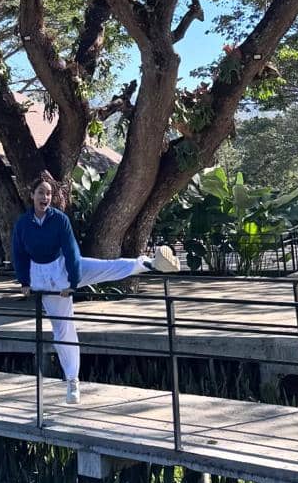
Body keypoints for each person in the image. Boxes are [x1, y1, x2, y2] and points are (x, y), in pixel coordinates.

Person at [11, 171, 180, 405]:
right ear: (32, 195)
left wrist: (72, 284)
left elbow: (71, 251)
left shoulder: (59, 220)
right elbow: (18, 254)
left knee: (106, 267)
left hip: (65, 269)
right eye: (41, 193)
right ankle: (72, 381)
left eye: (49, 194)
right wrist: (24, 282)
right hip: (43, 279)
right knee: (63, 330)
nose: (45, 197)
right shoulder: (23, 224)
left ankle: (150, 263)